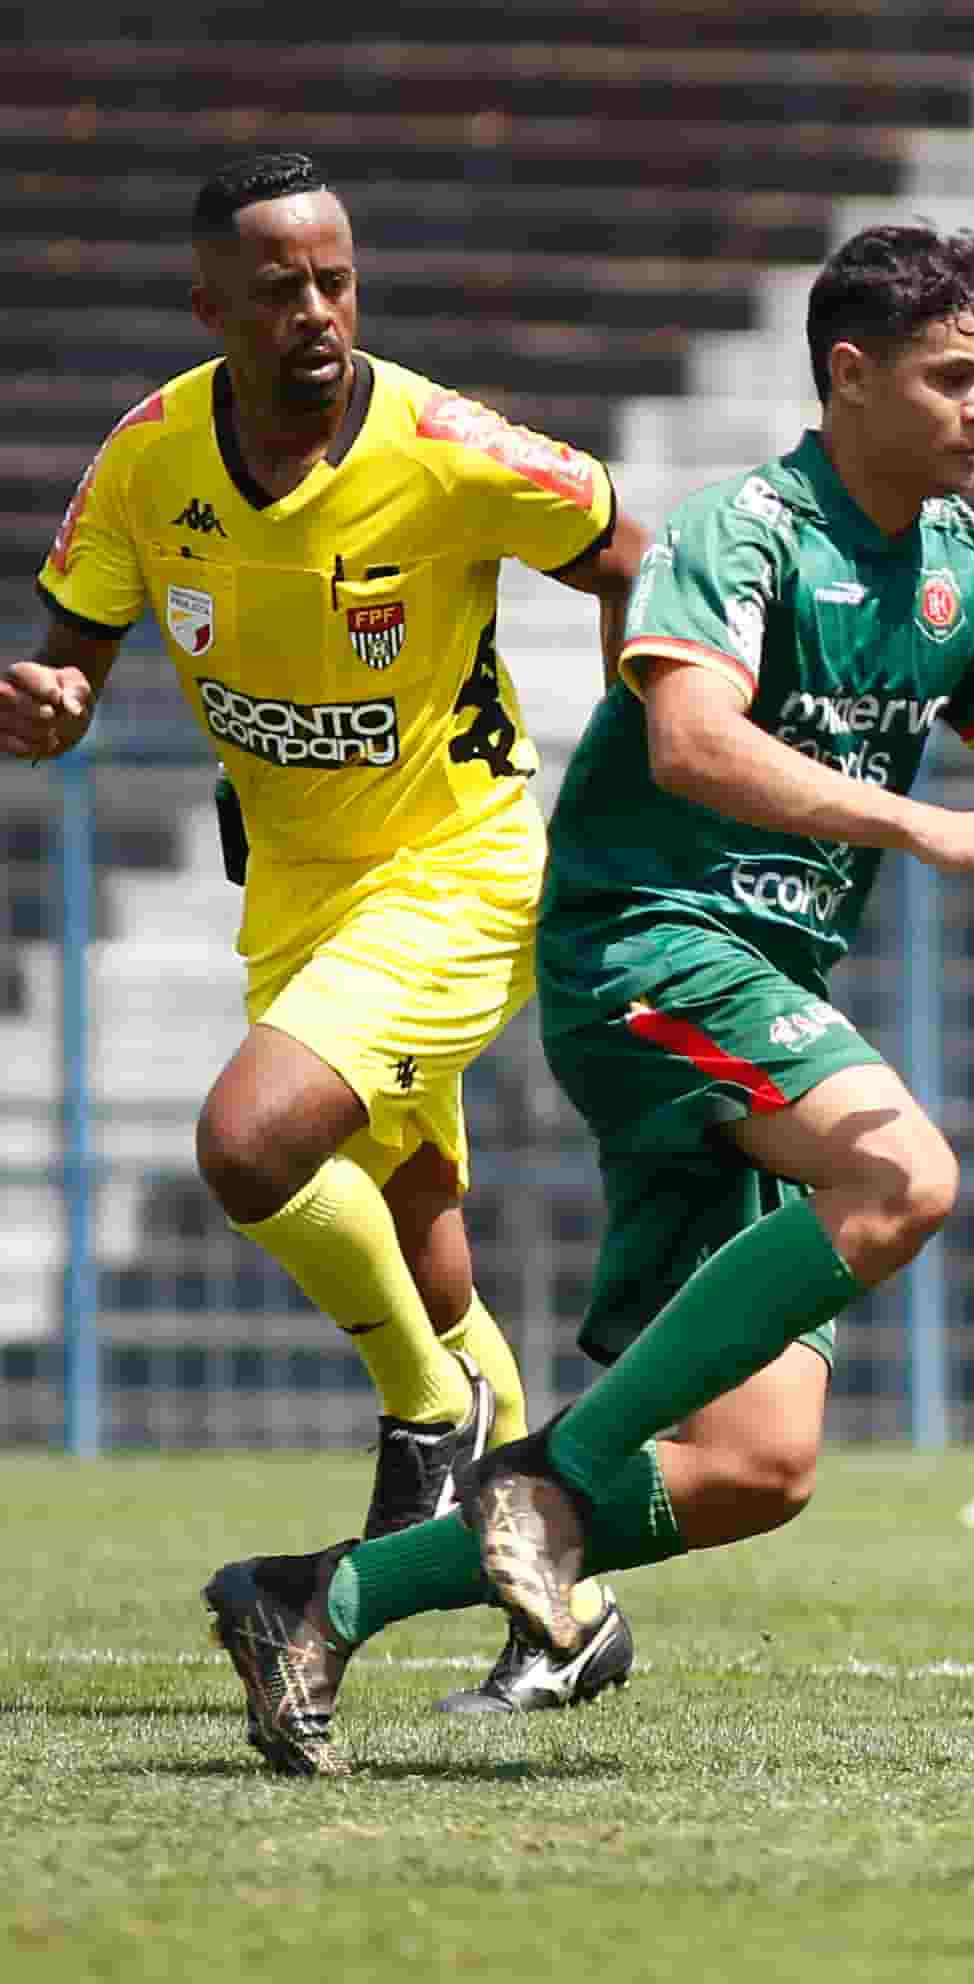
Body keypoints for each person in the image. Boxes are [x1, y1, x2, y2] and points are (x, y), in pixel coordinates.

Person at [200, 221, 974, 1777]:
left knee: (756, 1466)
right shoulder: (738, 531)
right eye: (954, 379)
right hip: (645, 949)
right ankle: (547, 1482)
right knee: (903, 1170)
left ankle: (315, 1599)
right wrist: (916, 822)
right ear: (850, 376)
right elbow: (692, 746)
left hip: (760, 995)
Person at [3, 152, 650, 1713]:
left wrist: (642, 778)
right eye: (282, 285)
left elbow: (635, 549)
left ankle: (425, 1421)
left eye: (338, 279)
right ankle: (561, 1603)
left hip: (458, 866)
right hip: (294, 889)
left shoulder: (441, 443)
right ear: (210, 303)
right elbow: (69, 660)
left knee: (247, 1146)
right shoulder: (151, 460)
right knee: (423, 1238)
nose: (318, 311)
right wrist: (49, 706)